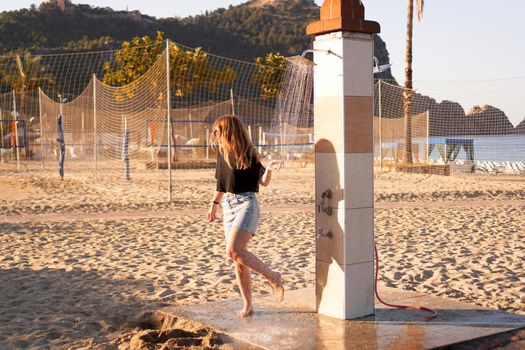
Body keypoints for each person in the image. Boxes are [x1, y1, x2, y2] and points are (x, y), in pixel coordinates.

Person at [207, 115, 284, 318]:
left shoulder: (249, 154)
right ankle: (248, 305)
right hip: (228, 206)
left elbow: (264, 182)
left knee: (233, 250)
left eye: (218, 130)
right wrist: (214, 204)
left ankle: (274, 277)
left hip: (246, 205)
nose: (215, 134)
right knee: (238, 259)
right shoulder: (221, 153)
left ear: (228, 131)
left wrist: (268, 169)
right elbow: (221, 184)